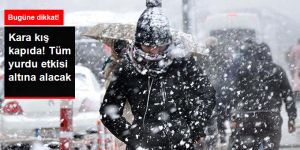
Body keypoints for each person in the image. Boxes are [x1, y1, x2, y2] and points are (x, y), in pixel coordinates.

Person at [99, 0, 216, 149]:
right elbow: (108, 111)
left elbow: (207, 94)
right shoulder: (127, 68)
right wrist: (132, 137)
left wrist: (195, 127)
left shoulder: (181, 63)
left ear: (167, 43)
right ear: (138, 42)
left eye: (159, 46)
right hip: (143, 143)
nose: (153, 51)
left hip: (180, 143)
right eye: (148, 46)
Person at [228, 40, 297, 150]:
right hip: (271, 115)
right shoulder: (277, 70)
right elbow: (288, 95)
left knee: (247, 145)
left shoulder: (243, 70)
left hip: (247, 116)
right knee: (270, 145)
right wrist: (291, 118)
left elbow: (234, 95)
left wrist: (233, 117)